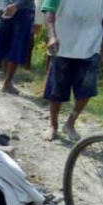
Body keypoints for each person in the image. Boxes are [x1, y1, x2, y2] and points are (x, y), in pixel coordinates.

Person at [41, 0, 103, 142]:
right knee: (57, 89)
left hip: (91, 45)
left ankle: (70, 123)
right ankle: (53, 125)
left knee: (86, 90)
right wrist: (52, 36)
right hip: (62, 45)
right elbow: (49, 10)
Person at [0, 0, 36, 94]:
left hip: (22, 9)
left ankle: (7, 81)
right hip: (6, 8)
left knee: (16, 46)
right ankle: (6, 80)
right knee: (6, 44)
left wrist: (16, 5)